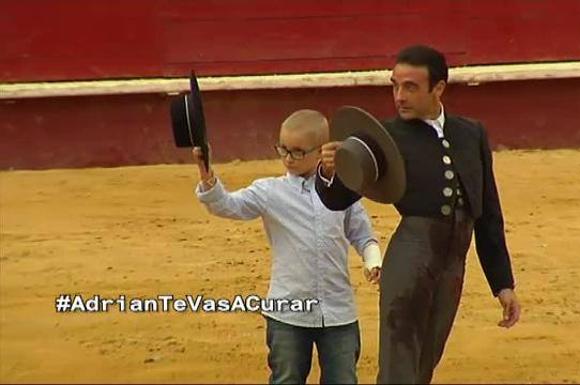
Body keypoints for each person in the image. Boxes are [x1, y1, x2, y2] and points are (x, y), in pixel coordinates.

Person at [315, 45, 522, 384]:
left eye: (410, 87)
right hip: (411, 257)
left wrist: (502, 283)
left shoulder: (471, 133)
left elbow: (487, 213)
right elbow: (339, 199)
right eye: (395, 85)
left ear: (438, 88)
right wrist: (330, 173)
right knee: (400, 362)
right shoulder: (384, 138)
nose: (399, 96)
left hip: (454, 262)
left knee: (426, 361)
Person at [193, 109, 382, 384]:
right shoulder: (270, 191)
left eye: (297, 152)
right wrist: (206, 174)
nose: (287, 158)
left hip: (338, 310)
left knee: (343, 380)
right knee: (286, 379)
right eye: (283, 149)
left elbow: (364, 235)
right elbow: (227, 205)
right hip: (288, 311)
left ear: (321, 152)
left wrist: (372, 260)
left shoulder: (344, 192)